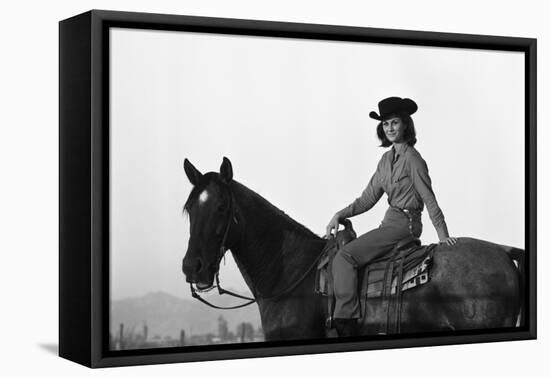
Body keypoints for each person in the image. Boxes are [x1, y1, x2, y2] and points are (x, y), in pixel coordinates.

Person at [325, 96, 457, 337]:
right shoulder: (385, 160)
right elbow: (367, 199)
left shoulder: (413, 159)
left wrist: (443, 235)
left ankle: (346, 320)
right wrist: (339, 214)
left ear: (405, 124)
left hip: (404, 225)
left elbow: (429, 198)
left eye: (394, 123)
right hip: (389, 222)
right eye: (386, 124)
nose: (390, 128)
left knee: (344, 257)